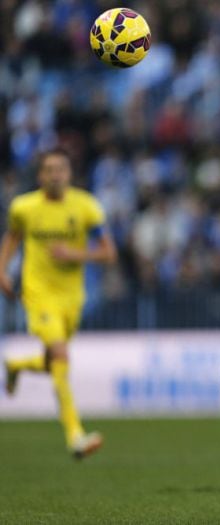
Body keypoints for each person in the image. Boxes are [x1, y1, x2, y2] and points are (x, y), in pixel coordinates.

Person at [0, 147, 117, 459]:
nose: (55, 175)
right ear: (40, 175)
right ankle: (75, 434)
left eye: (60, 169)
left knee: (55, 362)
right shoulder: (23, 207)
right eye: (49, 170)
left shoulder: (86, 207)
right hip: (38, 293)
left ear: (69, 173)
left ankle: (16, 365)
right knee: (62, 355)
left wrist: (75, 254)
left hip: (72, 297)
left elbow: (108, 252)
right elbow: (13, 237)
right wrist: (2, 270)